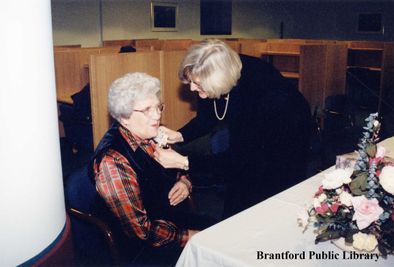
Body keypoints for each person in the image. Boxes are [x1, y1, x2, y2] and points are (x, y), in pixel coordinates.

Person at [153, 39, 312, 218]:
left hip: (286, 140)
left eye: (197, 84)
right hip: (250, 143)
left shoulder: (261, 95)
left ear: (219, 81)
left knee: (262, 203)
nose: (191, 88)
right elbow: (209, 115)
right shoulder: (213, 74)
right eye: (191, 82)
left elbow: (239, 160)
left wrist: (184, 162)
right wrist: (180, 135)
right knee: (236, 201)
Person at [90, 72, 214, 263]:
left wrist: (184, 181)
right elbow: (141, 232)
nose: (157, 115)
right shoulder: (113, 162)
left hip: (166, 217)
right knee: (216, 249)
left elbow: (176, 164)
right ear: (124, 117)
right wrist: (190, 236)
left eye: (158, 107)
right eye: (147, 109)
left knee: (225, 230)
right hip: (142, 247)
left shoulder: (147, 133)